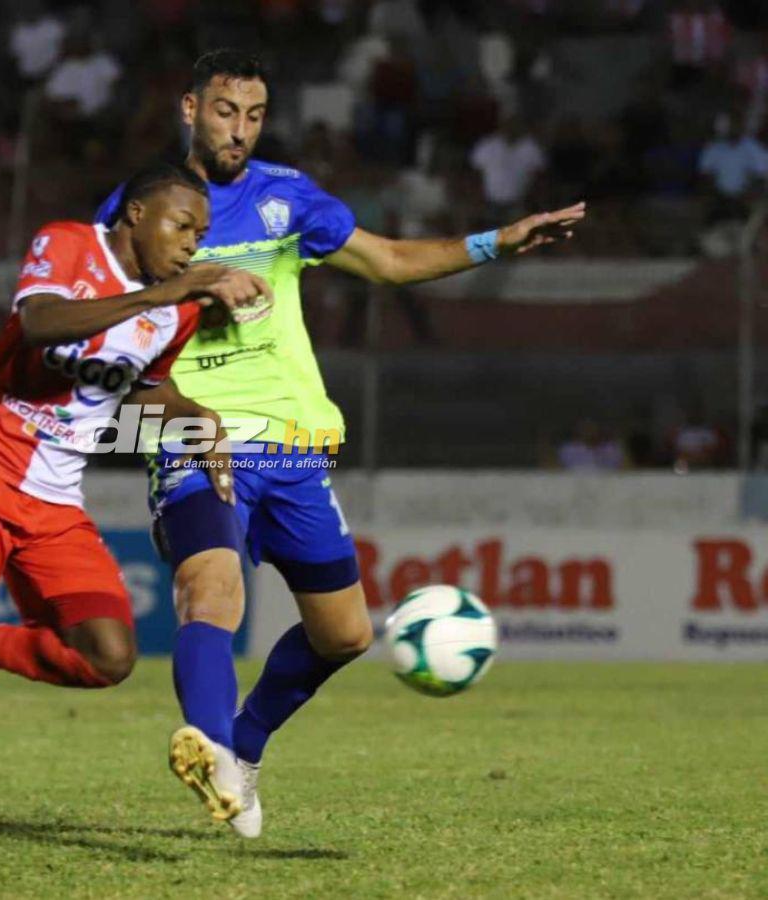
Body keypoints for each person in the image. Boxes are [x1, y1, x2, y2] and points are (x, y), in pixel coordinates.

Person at [86, 49, 584, 838]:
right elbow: (95, 320)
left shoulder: (287, 198)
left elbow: (386, 260)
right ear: (189, 108)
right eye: (224, 112)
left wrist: (499, 241)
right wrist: (189, 292)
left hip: (290, 440)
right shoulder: (138, 207)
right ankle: (210, 749)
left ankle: (241, 747)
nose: (239, 131)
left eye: (253, 116)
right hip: (186, 428)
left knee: (346, 634)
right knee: (210, 592)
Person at [0, 163, 270, 862]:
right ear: (135, 214)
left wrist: (203, 422)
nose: (194, 242)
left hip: (53, 499)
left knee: (108, 657)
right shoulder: (71, 245)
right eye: (181, 223)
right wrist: (167, 290)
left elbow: (139, 393)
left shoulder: (179, 311)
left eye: (202, 232)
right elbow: (38, 323)